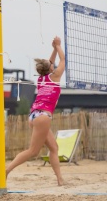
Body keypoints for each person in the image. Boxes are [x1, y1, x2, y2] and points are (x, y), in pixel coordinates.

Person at [6, 36, 65, 186]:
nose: (54, 65)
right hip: (43, 116)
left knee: (54, 147)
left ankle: (60, 180)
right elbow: (63, 60)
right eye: (52, 65)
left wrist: (53, 49)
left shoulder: (41, 79)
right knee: (33, 151)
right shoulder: (55, 76)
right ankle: (6, 170)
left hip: (34, 116)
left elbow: (49, 63)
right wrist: (58, 46)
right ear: (51, 69)